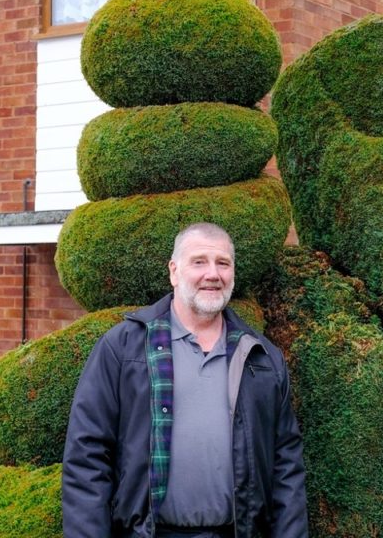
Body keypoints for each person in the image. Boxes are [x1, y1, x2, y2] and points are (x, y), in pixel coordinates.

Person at [62, 223, 308, 538]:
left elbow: (285, 463)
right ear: (174, 271)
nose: (213, 274)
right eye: (199, 261)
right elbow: (87, 455)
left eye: (223, 263)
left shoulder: (261, 356)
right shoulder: (123, 348)